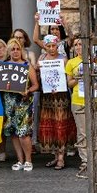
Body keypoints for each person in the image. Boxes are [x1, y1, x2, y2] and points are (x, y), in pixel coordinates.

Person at [37, 34, 75, 169]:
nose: (52, 49)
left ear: (57, 46)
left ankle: (61, 157)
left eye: (54, 46)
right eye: (49, 46)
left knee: (60, 125)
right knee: (51, 126)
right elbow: (38, 74)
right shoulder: (42, 58)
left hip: (61, 97)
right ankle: (55, 155)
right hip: (47, 97)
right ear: (45, 47)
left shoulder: (63, 59)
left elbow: (67, 77)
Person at [2, 38, 39, 171]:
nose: (16, 51)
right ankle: (20, 160)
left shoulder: (26, 65)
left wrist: (28, 90)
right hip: (9, 103)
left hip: (24, 103)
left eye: (18, 49)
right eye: (13, 49)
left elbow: (36, 85)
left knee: (24, 133)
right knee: (13, 133)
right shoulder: (3, 66)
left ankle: (28, 161)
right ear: (9, 51)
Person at [66, 36, 89, 173]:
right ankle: (85, 160)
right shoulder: (71, 62)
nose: (79, 46)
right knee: (82, 132)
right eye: (76, 44)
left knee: (96, 130)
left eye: (81, 44)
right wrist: (78, 78)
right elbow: (69, 83)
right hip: (78, 99)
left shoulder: (94, 59)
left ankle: (96, 157)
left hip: (94, 99)